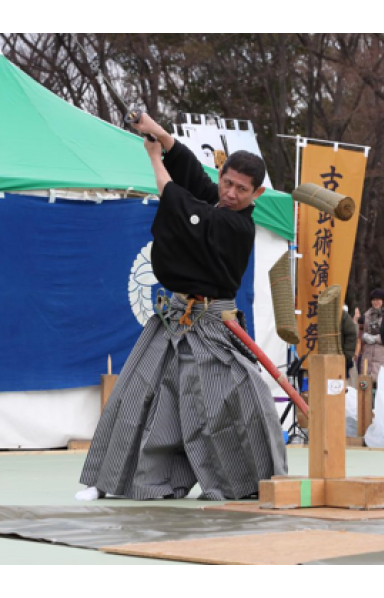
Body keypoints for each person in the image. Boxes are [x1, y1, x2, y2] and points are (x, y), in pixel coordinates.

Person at [76, 113, 287, 501]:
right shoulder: (219, 201)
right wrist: (159, 133)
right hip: (172, 319)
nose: (230, 193)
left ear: (256, 194)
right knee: (137, 393)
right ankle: (110, 483)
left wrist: (153, 158)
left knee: (240, 398)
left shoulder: (235, 226)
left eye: (242, 189)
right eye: (227, 182)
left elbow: (177, 197)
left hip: (212, 326)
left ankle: (255, 482)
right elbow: (192, 175)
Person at [360, 289, 384, 378]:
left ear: (383, 301)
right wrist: (364, 336)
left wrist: (376, 338)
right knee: (365, 381)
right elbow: (363, 332)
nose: (376, 302)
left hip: (382, 352)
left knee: (380, 379)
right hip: (367, 352)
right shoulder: (367, 315)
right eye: (374, 300)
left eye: (378, 300)